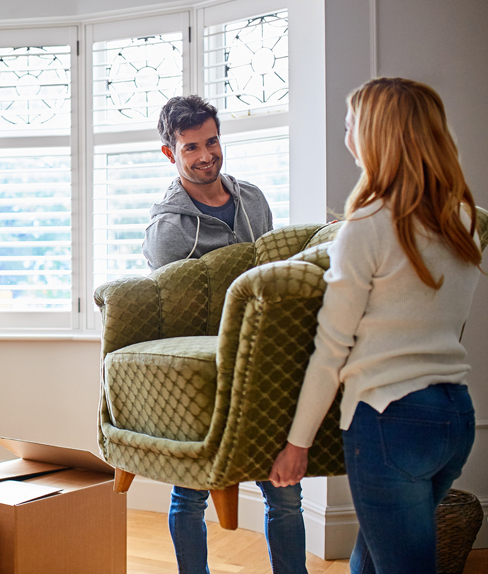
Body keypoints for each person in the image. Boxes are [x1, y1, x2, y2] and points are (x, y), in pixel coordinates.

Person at [269, 78, 482, 573]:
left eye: (350, 124)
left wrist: (297, 444)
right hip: (455, 416)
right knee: (378, 554)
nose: (346, 134)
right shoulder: (463, 220)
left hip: (391, 418)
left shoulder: (367, 225)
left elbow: (332, 348)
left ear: (374, 136)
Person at [144, 95, 306, 574]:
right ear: (171, 154)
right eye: (191, 147)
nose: (206, 155)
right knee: (191, 492)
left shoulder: (253, 199)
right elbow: (173, 316)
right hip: (206, 373)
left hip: (263, 363)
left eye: (211, 141)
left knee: (285, 493)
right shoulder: (167, 230)